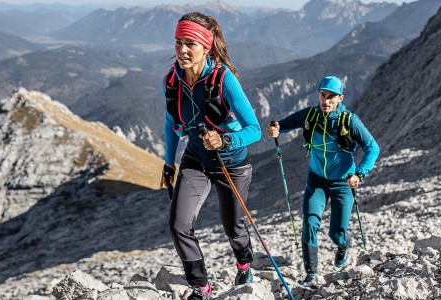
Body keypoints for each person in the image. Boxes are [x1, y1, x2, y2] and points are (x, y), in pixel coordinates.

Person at [159, 11, 261, 300]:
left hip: (232, 163)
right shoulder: (171, 81)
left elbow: (254, 129)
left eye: (190, 43)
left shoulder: (224, 80)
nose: (182, 50)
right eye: (178, 41)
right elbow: (170, 123)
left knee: (233, 226)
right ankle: (199, 285)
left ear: (206, 46)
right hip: (195, 159)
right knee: (179, 224)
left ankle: (244, 263)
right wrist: (169, 163)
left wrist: (225, 138)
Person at [265, 76, 379, 287]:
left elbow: (372, 148)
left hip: (343, 182)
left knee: (336, 233)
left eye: (332, 97)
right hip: (316, 179)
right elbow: (284, 125)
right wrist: (275, 128)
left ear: (340, 98)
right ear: (318, 94)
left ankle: (343, 245)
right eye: (323, 95)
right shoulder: (310, 115)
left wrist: (360, 174)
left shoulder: (349, 121)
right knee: (310, 221)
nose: (326, 101)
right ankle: (310, 273)